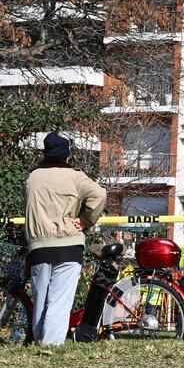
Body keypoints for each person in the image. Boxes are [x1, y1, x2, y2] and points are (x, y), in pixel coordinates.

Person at [24, 131, 107, 345]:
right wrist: (85, 221)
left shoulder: (32, 177)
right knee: (59, 300)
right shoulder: (75, 177)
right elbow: (99, 195)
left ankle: (39, 340)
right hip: (69, 245)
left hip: (39, 246)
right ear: (66, 156)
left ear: (44, 154)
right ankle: (50, 346)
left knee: (40, 299)